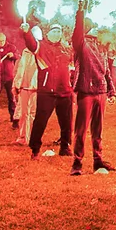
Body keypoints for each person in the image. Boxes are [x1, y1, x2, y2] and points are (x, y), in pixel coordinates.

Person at [71, 0, 116, 176]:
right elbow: (77, 32)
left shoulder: (102, 46)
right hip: (86, 91)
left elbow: (106, 70)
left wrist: (111, 91)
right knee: (81, 129)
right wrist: (80, 11)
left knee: (98, 130)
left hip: (101, 92)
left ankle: (98, 161)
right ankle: (77, 163)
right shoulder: (82, 44)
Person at [23, 22, 75, 159]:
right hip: (47, 92)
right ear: (48, 33)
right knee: (40, 121)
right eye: (54, 32)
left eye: (59, 32)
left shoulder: (66, 49)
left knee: (66, 122)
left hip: (65, 91)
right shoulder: (41, 46)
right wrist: (26, 32)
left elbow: (72, 66)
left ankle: (65, 146)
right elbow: (30, 43)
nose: (57, 34)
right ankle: (35, 149)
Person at [12, 43, 38, 145]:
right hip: (25, 86)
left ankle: (32, 137)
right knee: (24, 113)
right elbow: (21, 68)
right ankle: (23, 137)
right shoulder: (26, 52)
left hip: (36, 87)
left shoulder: (42, 51)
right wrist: (17, 84)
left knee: (32, 113)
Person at [0, 33, 18, 127]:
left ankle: (13, 117)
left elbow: (17, 56)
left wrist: (13, 55)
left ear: (5, 39)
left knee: (12, 98)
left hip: (9, 76)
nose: (1, 43)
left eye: (2, 41)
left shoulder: (11, 47)